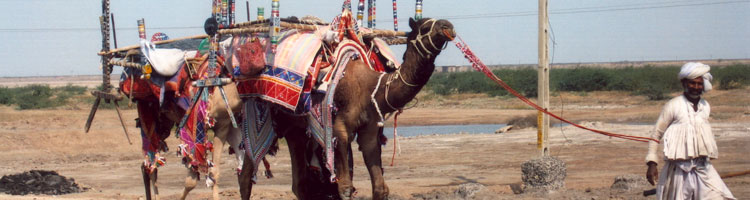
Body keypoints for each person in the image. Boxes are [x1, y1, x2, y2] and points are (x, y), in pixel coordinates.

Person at [645, 62, 735, 199]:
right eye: (692, 83)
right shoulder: (673, 105)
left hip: (703, 167)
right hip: (679, 170)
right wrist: (652, 164)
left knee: (718, 195)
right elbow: (656, 135)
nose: (696, 87)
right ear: (684, 83)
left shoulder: (705, 106)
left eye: (699, 84)